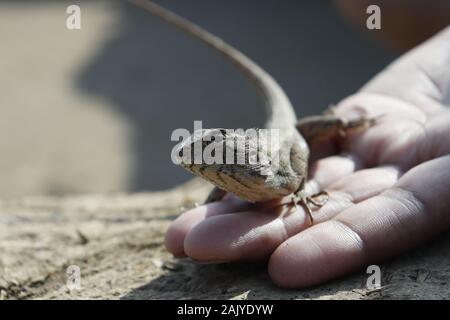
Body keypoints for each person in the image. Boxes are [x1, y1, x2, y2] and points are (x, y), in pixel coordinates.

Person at [164, 15, 450, 287]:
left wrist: (300, 190)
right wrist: (206, 208)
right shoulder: (229, 174)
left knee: (307, 132)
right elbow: (219, 184)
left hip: (288, 136)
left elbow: (299, 145)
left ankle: (344, 123)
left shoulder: (278, 179)